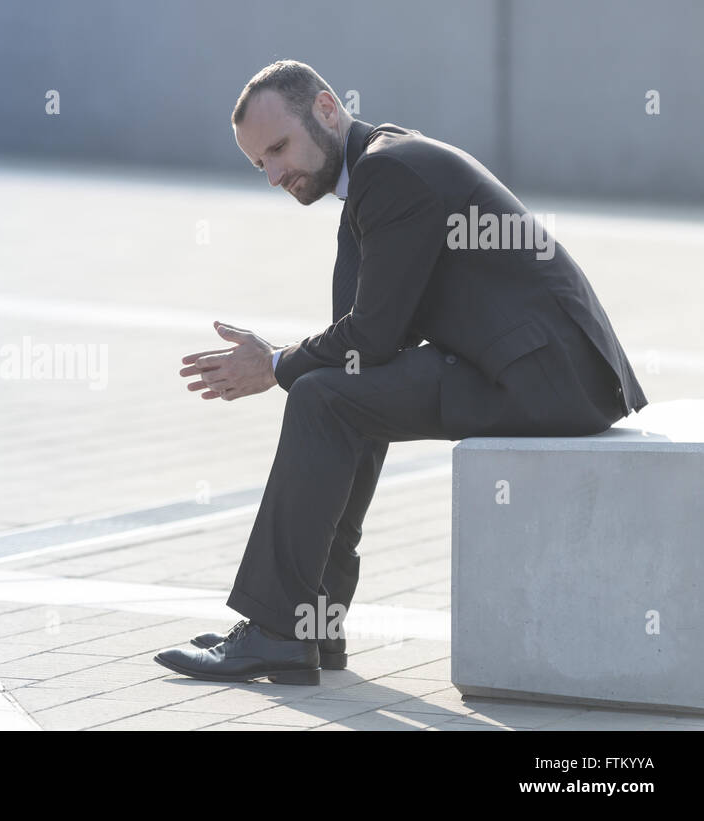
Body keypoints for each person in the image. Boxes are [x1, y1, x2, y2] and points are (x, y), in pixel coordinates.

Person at [154, 60, 648, 686]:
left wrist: (275, 364)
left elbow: (370, 337)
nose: (275, 176)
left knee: (323, 399)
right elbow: (360, 348)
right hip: (530, 369)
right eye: (260, 165)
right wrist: (293, 368)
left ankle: (281, 631)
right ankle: (308, 624)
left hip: (544, 378)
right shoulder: (373, 175)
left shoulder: (389, 171)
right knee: (330, 397)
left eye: (278, 149)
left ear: (328, 109)